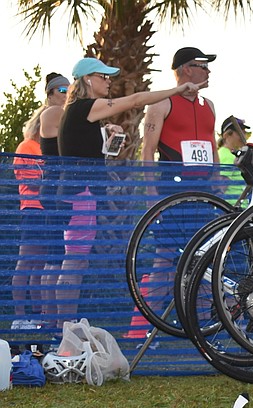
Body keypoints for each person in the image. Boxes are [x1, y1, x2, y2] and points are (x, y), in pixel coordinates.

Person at [57, 57, 206, 325]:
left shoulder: (82, 111)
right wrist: (177, 90)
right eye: (103, 76)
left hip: (80, 193)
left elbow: (87, 149)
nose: (108, 81)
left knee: (74, 261)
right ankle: (63, 328)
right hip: (80, 195)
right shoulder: (85, 106)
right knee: (73, 262)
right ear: (88, 79)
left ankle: (62, 326)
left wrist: (107, 136)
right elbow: (136, 100)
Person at [141, 46, 218, 164]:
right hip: (172, 180)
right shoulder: (161, 104)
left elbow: (213, 148)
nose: (209, 71)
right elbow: (148, 150)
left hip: (204, 181)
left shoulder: (209, 105)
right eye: (204, 67)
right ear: (187, 69)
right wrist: (150, 183)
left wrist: (216, 179)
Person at [38, 72, 71, 326]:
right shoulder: (54, 113)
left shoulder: (57, 114)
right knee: (56, 259)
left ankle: (50, 320)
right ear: (49, 94)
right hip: (56, 190)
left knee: (54, 258)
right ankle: (54, 321)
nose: (66, 93)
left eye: (68, 89)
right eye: (61, 90)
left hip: (56, 189)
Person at [11, 106, 47, 328]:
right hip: (32, 209)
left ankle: (36, 315)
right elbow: (31, 181)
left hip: (47, 210)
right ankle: (18, 316)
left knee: (40, 265)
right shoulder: (26, 146)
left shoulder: (45, 147)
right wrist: (49, 180)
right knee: (25, 262)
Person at [217, 115, 250, 203]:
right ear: (227, 134)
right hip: (232, 208)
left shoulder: (230, 154)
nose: (244, 136)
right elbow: (221, 188)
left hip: (237, 208)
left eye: (244, 132)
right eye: (240, 133)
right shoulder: (226, 156)